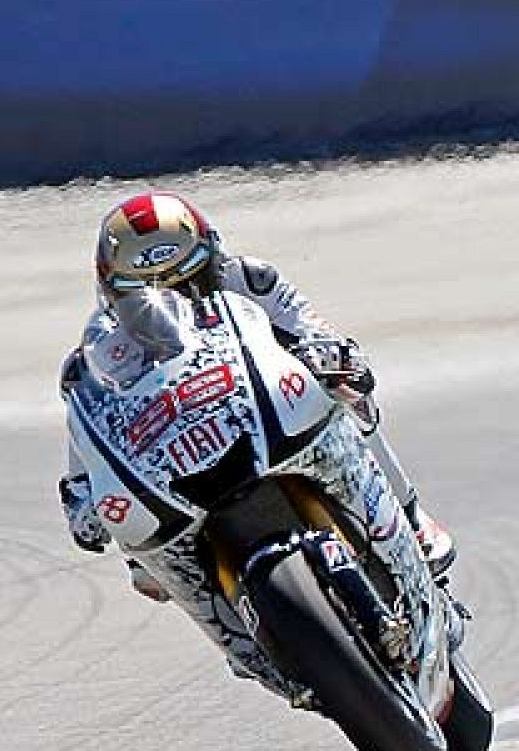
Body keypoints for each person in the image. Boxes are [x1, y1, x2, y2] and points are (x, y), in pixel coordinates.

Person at [57, 192, 456, 696]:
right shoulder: (97, 358)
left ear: (211, 258)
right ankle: (238, 632)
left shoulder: (251, 280)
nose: (171, 301)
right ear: (113, 290)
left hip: (271, 415)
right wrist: (82, 499)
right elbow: (87, 445)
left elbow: (312, 329)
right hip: (176, 468)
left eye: (186, 281)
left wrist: (333, 357)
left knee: (351, 396)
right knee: (145, 572)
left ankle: (409, 516)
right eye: (148, 291)